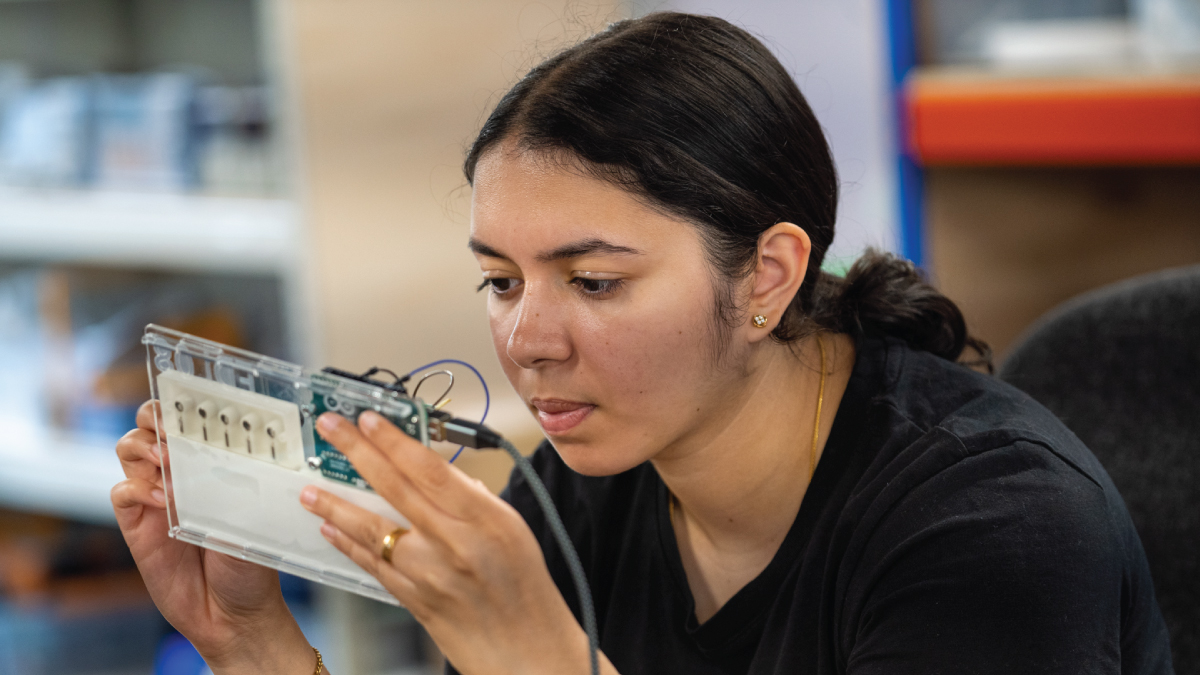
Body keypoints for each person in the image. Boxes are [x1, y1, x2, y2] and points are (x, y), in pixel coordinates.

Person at [111, 11, 1174, 675]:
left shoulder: (996, 528)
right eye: (499, 279)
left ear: (766, 277)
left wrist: (539, 659)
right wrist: (250, 645)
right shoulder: (584, 490)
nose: (526, 341)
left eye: (595, 281)